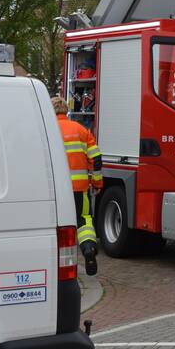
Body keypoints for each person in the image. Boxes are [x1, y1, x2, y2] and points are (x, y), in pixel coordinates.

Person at [52, 96, 103, 276]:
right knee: (84, 220)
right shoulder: (81, 130)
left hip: (55, 192)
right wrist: (97, 182)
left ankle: (57, 263)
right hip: (80, 189)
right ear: (66, 110)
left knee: (56, 225)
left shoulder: (47, 130)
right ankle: (88, 248)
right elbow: (96, 158)